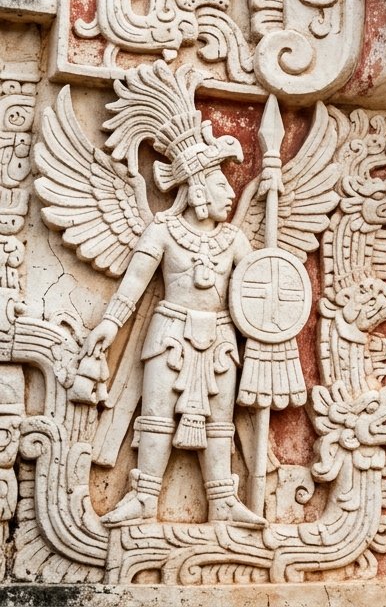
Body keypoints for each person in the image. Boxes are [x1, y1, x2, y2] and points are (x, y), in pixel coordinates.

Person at [83, 124, 264, 527]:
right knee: (157, 415)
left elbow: (259, 289)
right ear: (198, 191)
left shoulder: (234, 240)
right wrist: (110, 325)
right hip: (169, 334)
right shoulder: (163, 231)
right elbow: (134, 283)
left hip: (219, 338)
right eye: (222, 185)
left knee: (220, 422)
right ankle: (144, 497)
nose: (231, 193)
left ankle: (222, 502)